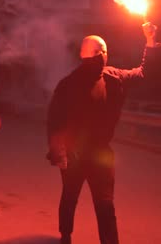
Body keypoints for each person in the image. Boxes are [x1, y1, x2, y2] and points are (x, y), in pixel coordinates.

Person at [47, 22, 159, 244]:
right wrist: (59, 153)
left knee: (105, 204)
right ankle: (65, 235)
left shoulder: (112, 77)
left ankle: (107, 241)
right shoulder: (69, 85)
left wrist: (150, 41)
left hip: (100, 155)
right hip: (74, 155)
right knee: (70, 197)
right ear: (99, 54)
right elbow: (55, 122)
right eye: (105, 52)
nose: (107, 56)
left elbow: (145, 73)